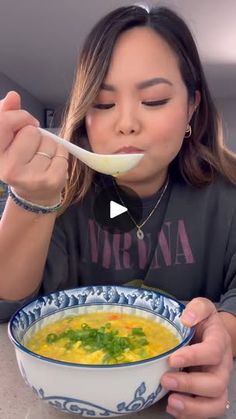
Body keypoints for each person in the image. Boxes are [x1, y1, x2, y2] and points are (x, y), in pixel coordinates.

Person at [0, 4, 235, 418]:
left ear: (192, 106)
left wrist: (224, 334)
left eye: (154, 99)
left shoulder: (227, 195)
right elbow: (8, 306)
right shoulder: (63, 198)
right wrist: (30, 199)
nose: (126, 123)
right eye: (104, 104)